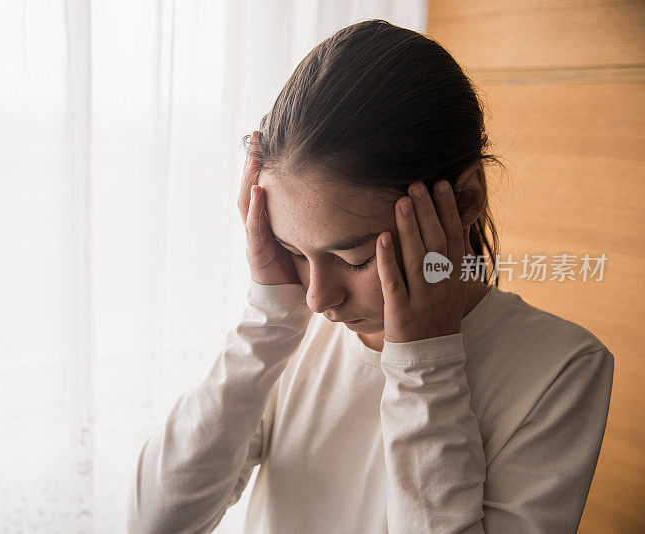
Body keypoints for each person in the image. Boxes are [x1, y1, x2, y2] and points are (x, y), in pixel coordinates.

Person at [126, 19, 614, 533]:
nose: (318, 298)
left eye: (355, 259)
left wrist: (426, 364)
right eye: (292, 250)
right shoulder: (293, 330)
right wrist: (267, 316)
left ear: (465, 199)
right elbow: (157, 521)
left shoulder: (561, 369)